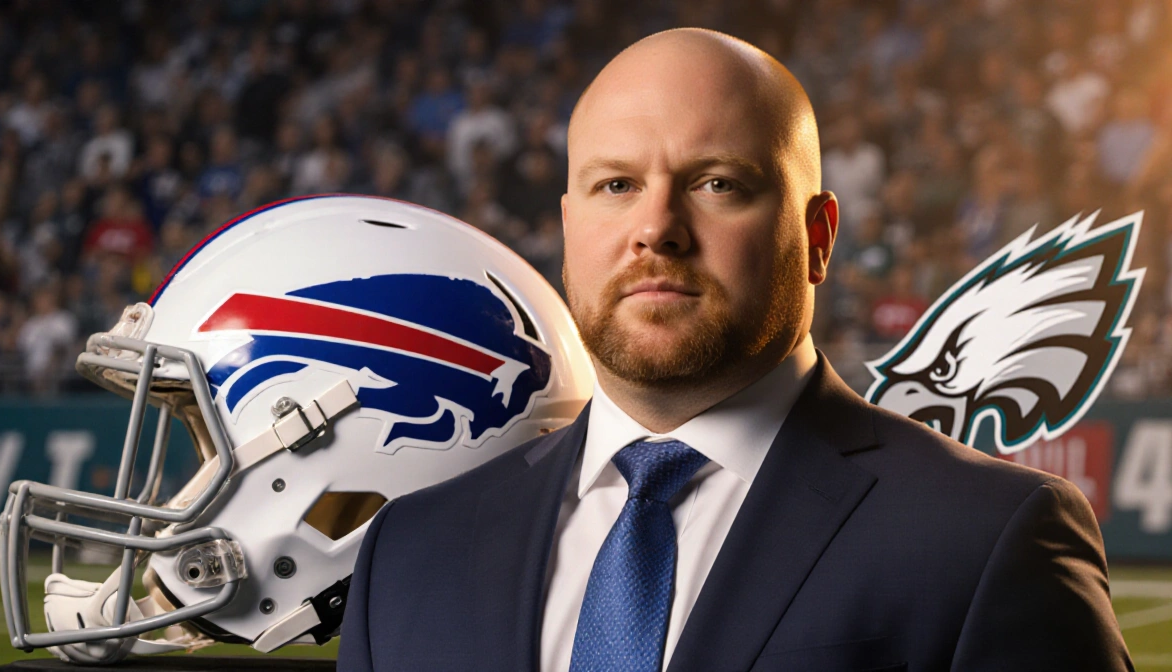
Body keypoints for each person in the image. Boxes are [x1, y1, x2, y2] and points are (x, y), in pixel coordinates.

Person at [338, 28, 1131, 671]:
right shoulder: (411, 551)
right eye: (616, 185)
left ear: (817, 238)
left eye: (718, 183)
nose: (657, 228)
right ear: (570, 224)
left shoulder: (984, 538)